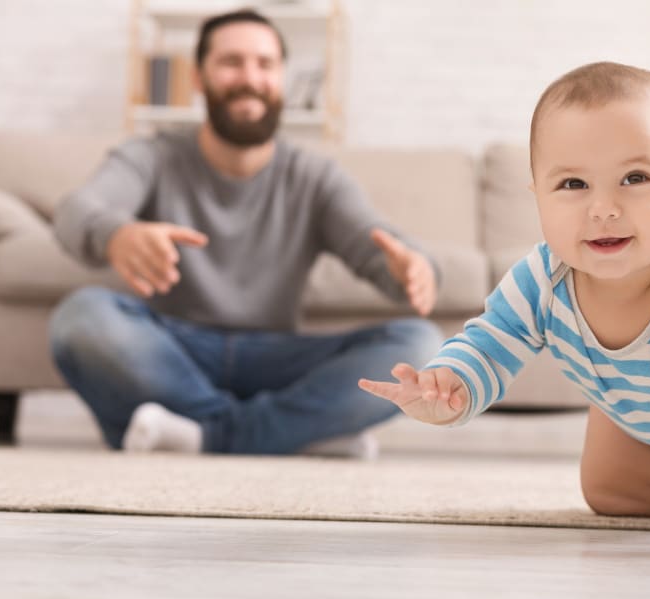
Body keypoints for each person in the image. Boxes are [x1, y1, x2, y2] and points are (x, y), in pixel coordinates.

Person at [359, 61, 650, 562]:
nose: (604, 208)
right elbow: (492, 339)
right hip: (642, 419)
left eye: (635, 177)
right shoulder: (541, 280)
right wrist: (451, 384)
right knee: (613, 499)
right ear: (538, 199)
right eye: (573, 184)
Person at [50, 9, 444, 458]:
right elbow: (75, 210)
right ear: (199, 77)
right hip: (176, 354)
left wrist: (416, 269)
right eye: (232, 62)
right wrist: (116, 235)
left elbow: (382, 247)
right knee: (81, 317)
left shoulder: (314, 176)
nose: (250, 77)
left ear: (280, 77)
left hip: (277, 358)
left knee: (423, 345)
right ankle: (293, 434)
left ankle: (200, 435)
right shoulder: (152, 155)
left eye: (265, 64)